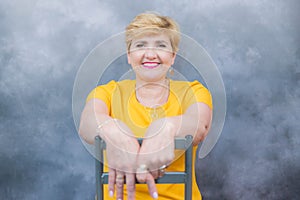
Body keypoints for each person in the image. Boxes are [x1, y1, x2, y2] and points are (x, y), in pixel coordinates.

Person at [79, 12, 213, 200]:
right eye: (140, 45)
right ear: (129, 55)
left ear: (173, 56)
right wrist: (114, 130)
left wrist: (166, 127)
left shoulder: (193, 91)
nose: (150, 54)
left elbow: (200, 125)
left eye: (161, 45)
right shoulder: (108, 92)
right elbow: (87, 123)